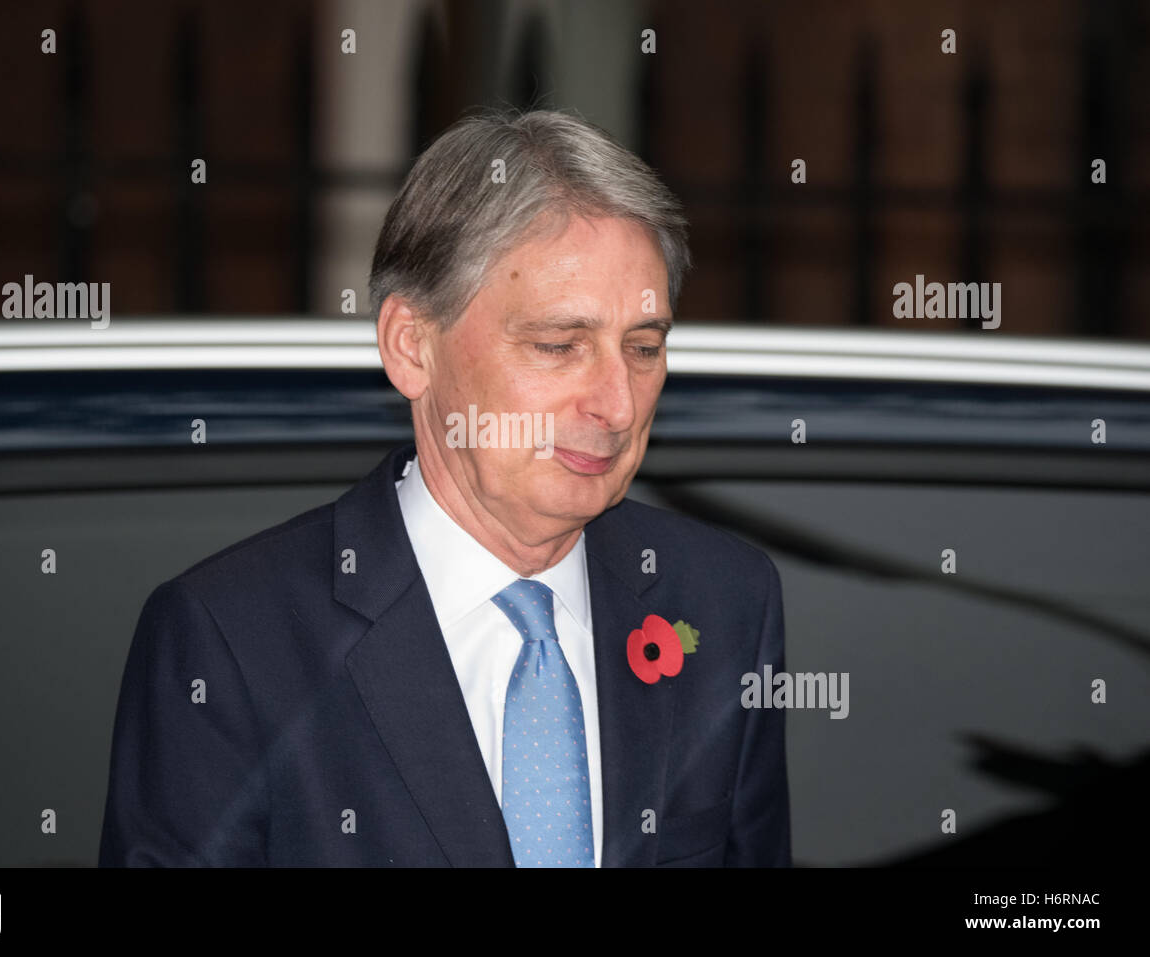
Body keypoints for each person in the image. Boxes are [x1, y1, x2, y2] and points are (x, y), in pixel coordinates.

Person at [99, 108, 790, 867]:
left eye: (645, 346)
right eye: (559, 346)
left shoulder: (723, 601)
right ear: (410, 346)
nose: (618, 405)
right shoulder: (231, 641)